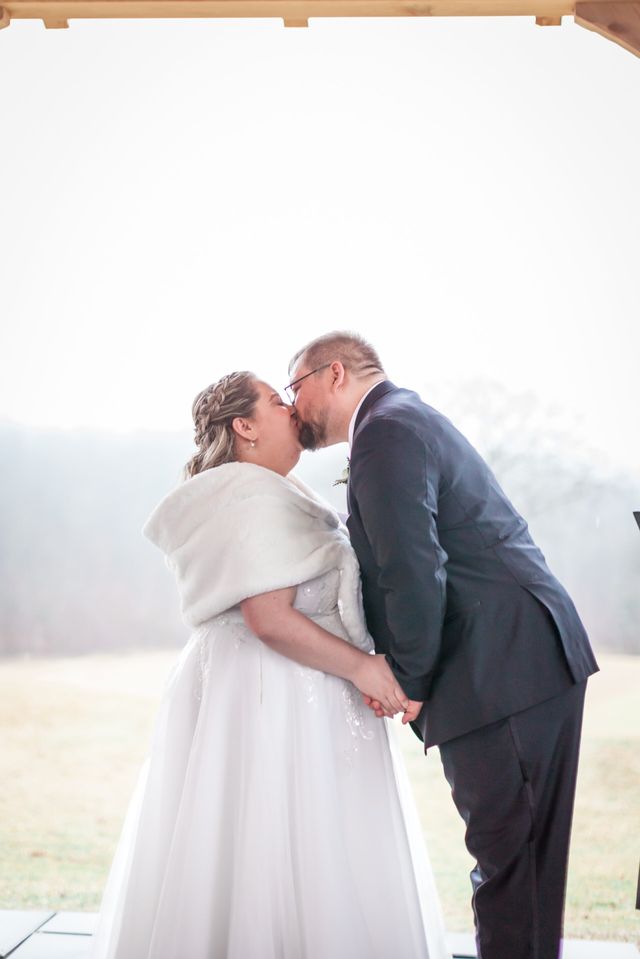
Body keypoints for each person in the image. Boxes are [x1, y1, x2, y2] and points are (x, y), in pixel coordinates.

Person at [89, 371, 449, 959]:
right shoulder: (247, 494)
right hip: (270, 698)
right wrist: (364, 668)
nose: (293, 411)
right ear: (245, 426)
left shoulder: (266, 492)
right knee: (273, 856)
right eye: (279, 402)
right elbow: (269, 617)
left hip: (269, 689)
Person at [288, 331, 599, 959]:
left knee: (512, 866)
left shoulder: (388, 431)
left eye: (295, 388)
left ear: (335, 374)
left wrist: (409, 682)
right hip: (522, 660)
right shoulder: (403, 419)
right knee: (523, 868)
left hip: (503, 670)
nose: (294, 408)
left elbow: (411, 568)